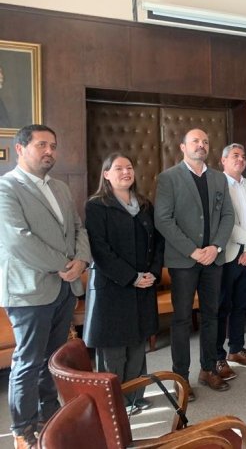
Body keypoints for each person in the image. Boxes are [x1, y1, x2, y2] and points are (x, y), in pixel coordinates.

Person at [0, 124, 91, 448]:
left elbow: (78, 228)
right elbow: (18, 241)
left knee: (53, 358)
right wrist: (64, 265)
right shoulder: (6, 188)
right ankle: (23, 430)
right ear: (20, 149)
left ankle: (48, 417)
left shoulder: (60, 187)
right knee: (28, 362)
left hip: (63, 289)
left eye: (53, 145)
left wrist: (82, 260)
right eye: (42, 145)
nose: (50, 151)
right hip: (29, 291)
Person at [154, 128, 235, 398]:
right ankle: (181, 377)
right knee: (181, 320)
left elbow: (228, 215)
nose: (201, 145)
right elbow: (163, 220)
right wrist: (192, 251)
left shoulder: (218, 178)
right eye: (195, 141)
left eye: (205, 141)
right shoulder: (168, 178)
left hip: (214, 258)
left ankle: (208, 369)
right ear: (183, 147)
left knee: (212, 315)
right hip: (183, 261)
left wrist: (216, 247)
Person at [84, 153, 162, 414]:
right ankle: (113, 404)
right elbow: (100, 250)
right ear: (106, 174)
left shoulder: (144, 205)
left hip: (144, 285)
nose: (126, 172)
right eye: (118, 168)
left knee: (138, 344)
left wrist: (152, 273)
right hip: (112, 288)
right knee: (114, 350)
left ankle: (135, 397)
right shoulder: (97, 206)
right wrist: (132, 277)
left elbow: (157, 243)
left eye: (129, 167)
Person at [216, 143, 246, 374]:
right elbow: (224, 223)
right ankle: (217, 358)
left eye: (243, 156)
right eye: (235, 155)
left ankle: (236, 350)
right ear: (223, 160)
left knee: (240, 306)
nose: (241, 159)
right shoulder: (217, 184)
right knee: (222, 308)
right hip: (227, 256)